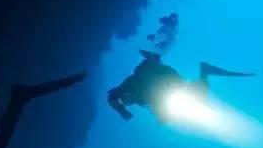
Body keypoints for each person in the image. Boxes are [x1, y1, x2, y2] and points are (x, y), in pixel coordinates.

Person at [107, 49, 253, 122]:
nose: (129, 98)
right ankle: (204, 72)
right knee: (196, 99)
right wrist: (162, 118)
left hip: (167, 79)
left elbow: (111, 97)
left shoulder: (130, 82)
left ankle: (204, 72)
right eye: (128, 101)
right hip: (170, 87)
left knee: (147, 69)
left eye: (127, 97)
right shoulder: (140, 100)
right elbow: (159, 106)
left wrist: (121, 110)